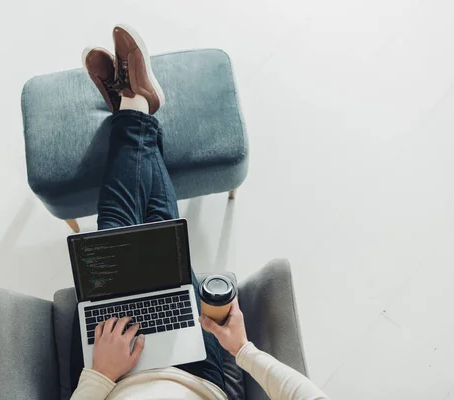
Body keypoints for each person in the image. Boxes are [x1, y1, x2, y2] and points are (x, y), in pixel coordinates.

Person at [70, 24, 327, 400]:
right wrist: (242, 350)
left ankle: (135, 105)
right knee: (157, 234)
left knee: (113, 229)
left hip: (113, 380)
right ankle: (134, 105)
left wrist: (101, 376)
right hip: (195, 375)